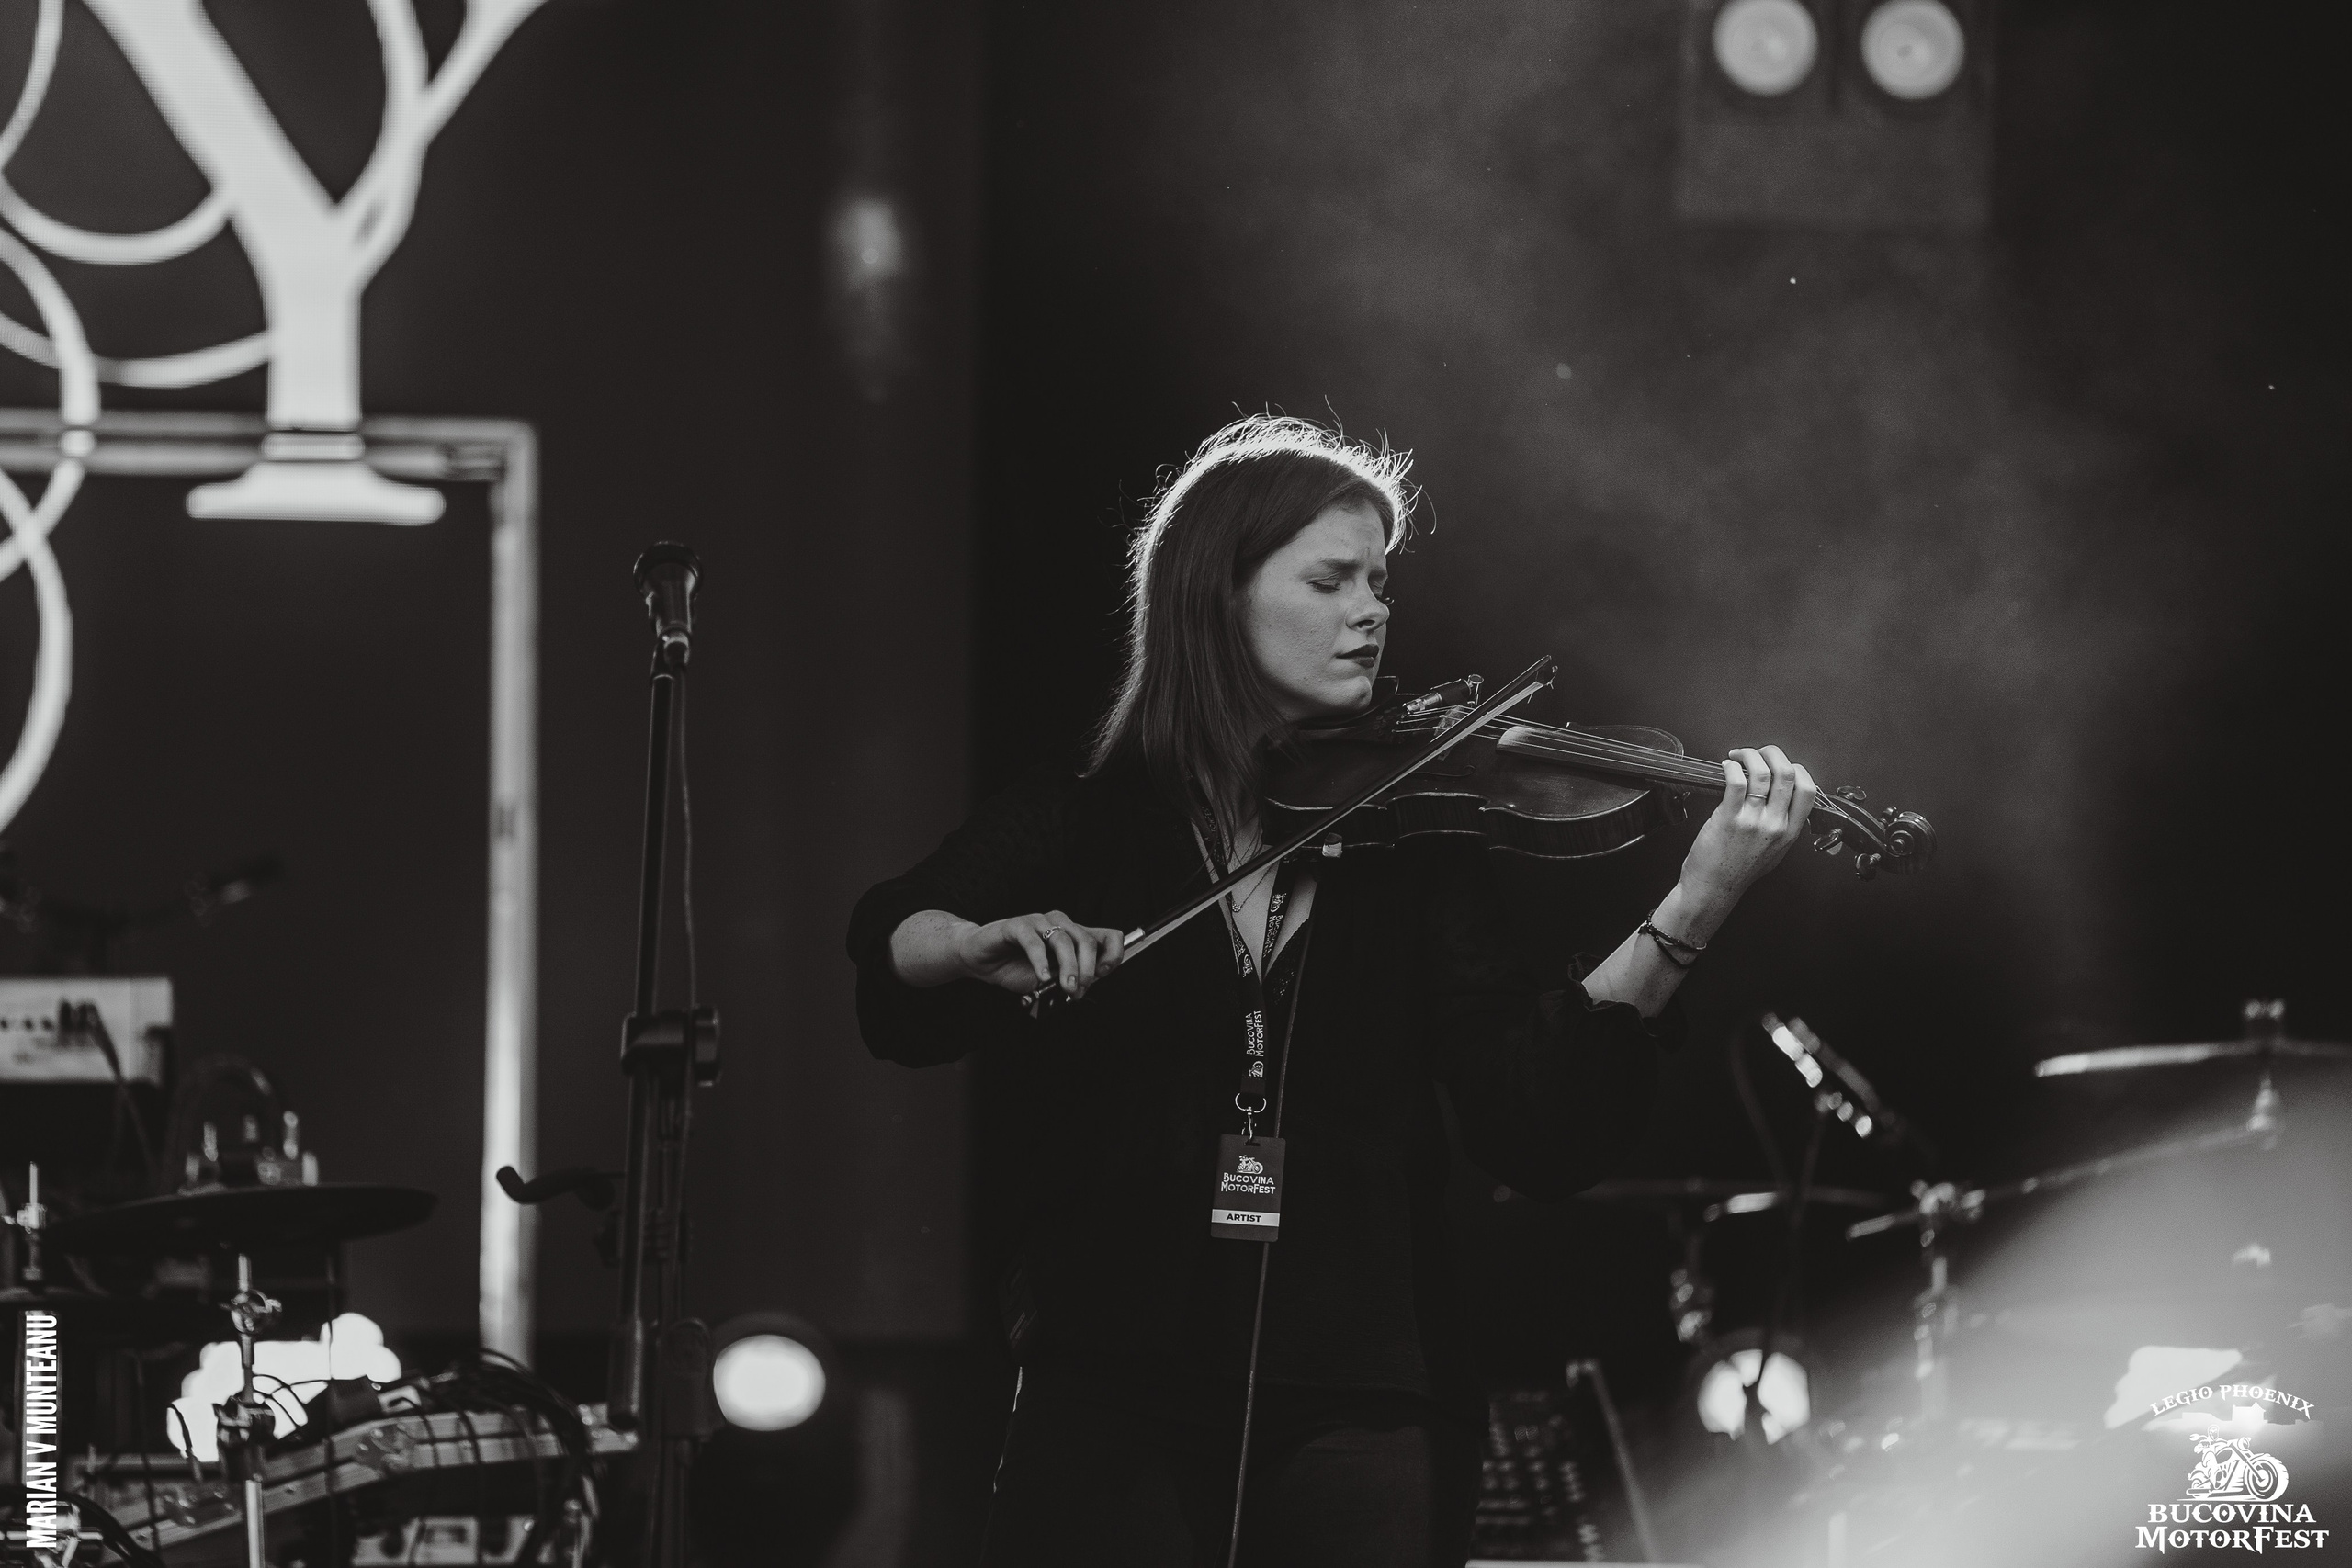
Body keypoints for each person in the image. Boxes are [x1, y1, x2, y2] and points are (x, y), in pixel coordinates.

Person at [846, 416, 1816, 1567]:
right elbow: (891, 943)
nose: (1372, 610)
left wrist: (1698, 897)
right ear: (1218, 596)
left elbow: (1532, 1118)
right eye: (1330, 578)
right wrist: (967, 946)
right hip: (1111, 1377)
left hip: (1370, 1389)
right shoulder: (1093, 818)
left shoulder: (1417, 833)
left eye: (1380, 582)